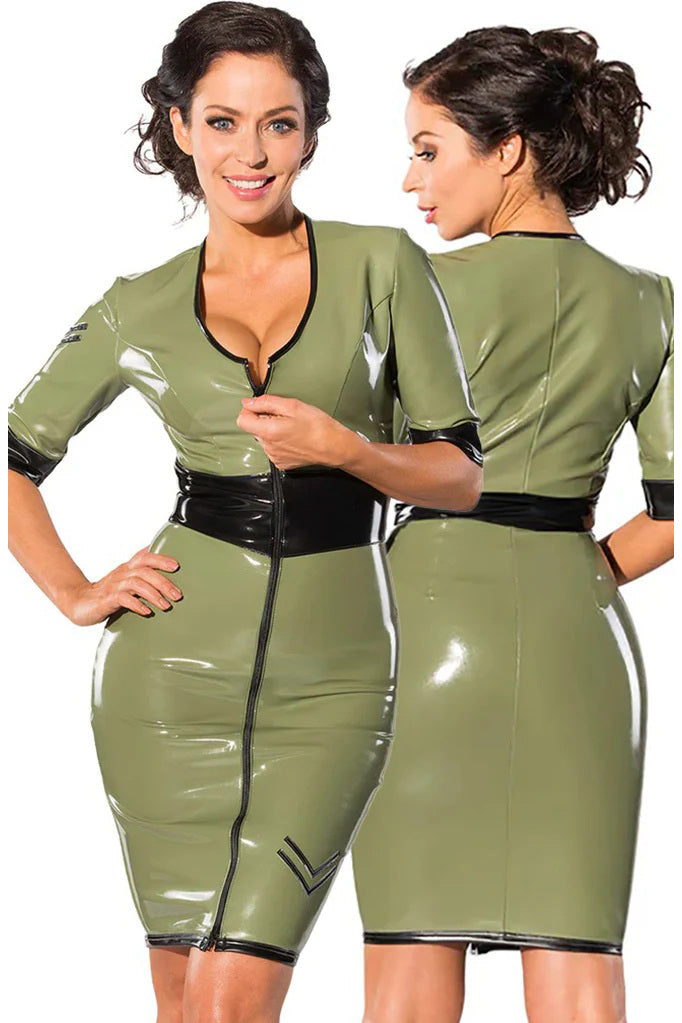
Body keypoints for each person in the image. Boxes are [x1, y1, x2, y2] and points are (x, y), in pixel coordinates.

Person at [6, 4, 482, 1022]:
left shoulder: (381, 263)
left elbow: (459, 473)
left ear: (311, 131)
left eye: (279, 122)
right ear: (180, 126)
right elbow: (14, 458)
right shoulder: (137, 303)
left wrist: (350, 451)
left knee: (233, 1003)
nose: (251, 153)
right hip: (165, 686)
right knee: (187, 1008)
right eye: (222, 121)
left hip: (334, 688)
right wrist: (77, 592)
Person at [351, 25, 674, 1023]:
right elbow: (671, 518)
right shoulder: (649, 304)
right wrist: (576, 571)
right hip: (583, 647)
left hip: (419, 630)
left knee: (409, 950)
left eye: (427, 149)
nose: (411, 180)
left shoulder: (411, 291)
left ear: (510, 149)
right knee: (579, 953)